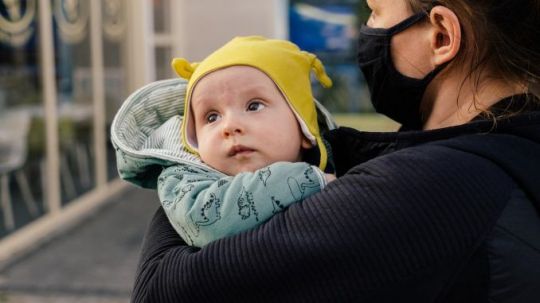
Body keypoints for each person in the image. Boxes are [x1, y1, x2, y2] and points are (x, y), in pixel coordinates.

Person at [130, 0, 540, 302]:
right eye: (211, 118)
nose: (368, 31)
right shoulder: (500, 147)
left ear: (441, 36)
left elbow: (162, 289)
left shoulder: (435, 186)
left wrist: (185, 165)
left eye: (376, 13)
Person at [112, 36, 336, 247]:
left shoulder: (345, 165)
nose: (229, 126)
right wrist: (306, 179)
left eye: (254, 106)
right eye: (212, 117)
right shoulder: (183, 181)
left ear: (304, 129)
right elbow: (206, 221)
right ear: (194, 139)